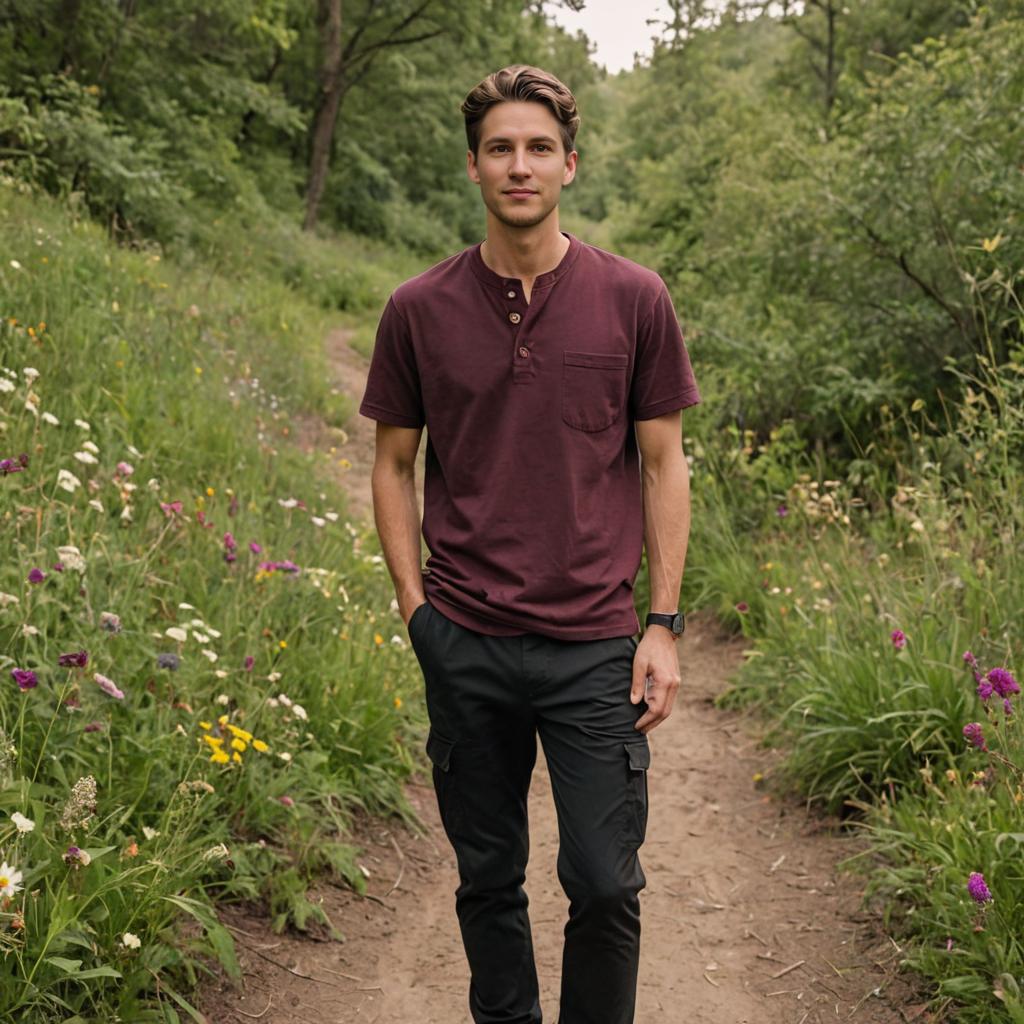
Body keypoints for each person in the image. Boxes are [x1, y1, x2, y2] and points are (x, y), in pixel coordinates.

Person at [359, 64, 700, 1024]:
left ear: (570, 165)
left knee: (603, 882)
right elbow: (393, 464)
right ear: (473, 167)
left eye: (538, 148)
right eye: (501, 149)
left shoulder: (635, 298)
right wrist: (415, 611)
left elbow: (666, 463)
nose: (521, 165)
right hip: (463, 637)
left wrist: (662, 624)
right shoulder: (417, 310)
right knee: (487, 876)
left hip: (595, 644)